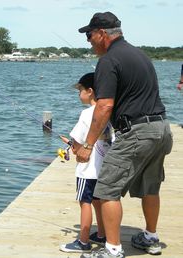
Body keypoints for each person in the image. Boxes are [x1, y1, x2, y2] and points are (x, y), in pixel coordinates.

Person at [75, 12, 173, 258]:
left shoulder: (108, 60)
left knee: (106, 188)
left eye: (89, 35)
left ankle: (113, 249)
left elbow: (104, 106)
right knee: (151, 186)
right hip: (161, 128)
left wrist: (88, 145)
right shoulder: (140, 55)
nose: (88, 41)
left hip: (137, 132)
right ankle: (150, 238)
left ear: (101, 34)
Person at [59, 72, 114, 253]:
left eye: (80, 90)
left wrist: (69, 143)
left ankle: (83, 241)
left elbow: (76, 148)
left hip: (88, 170)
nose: (78, 94)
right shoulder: (110, 111)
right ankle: (102, 234)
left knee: (85, 202)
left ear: (90, 91)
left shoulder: (86, 114)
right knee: (99, 201)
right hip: (105, 169)